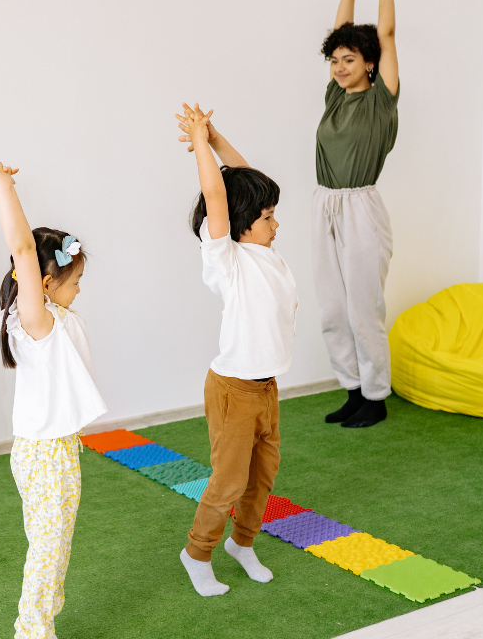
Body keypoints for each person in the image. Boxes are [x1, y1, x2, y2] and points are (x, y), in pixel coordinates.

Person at [0, 162, 107, 638]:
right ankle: (32, 629)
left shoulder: (46, 319)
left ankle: (42, 618)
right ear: (46, 285)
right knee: (47, 550)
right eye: (73, 282)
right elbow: (23, 248)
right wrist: (5, 189)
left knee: (52, 546)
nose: (78, 290)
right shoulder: (38, 322)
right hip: (45, 453)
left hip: (51, 448)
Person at [176, 103, 297, 597]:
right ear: (241, 224)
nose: (275, 224)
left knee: (262, 474)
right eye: (267, 218)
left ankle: (242, 543)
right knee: (228, 480)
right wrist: (201, 147)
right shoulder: (227, 258)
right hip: (232, 389)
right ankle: (197, 551)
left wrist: (218, 135)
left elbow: (244, 179)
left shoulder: (266, 252)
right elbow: (217, 193)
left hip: (265, 386)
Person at [315, 0, 400, 429]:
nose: (340, 66)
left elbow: (385, 35)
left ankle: (376, 396)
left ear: (369, 64)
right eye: (335, 59)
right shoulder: (334, 95)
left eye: (350, 59)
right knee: (331, 306)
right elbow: (340, 27)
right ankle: (352, 389)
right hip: (323, 203)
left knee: (363, 306)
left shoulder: (380, 97)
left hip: (361, 206)